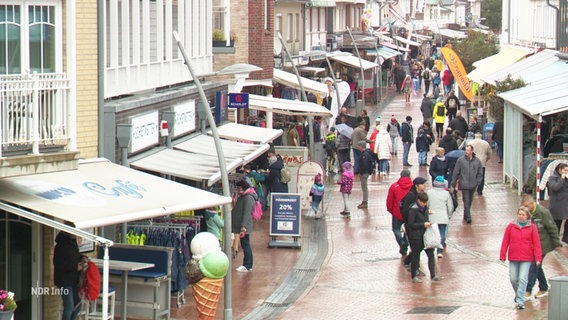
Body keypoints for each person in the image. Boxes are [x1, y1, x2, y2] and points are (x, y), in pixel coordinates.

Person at [500, 206, 542, 310]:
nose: (521, 216)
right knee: (514, 279)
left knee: (523, 279)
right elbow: (505, 241)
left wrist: (537, 258)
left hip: (526, 257)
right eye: (519, 214)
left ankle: (520, 301)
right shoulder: (511, 226)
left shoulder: (532, 227)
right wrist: (502, 255)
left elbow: (537, 244)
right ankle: (519, 295)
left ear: (527, 216)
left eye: (523, 215)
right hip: (513, 257)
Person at [520, 194, 561, 299]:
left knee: (534, 265)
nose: (525, 209)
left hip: (543, 245)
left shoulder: (543, 213)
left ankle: (528, 290)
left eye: (526, 206)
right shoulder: (527, 214)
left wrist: (557, 244)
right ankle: (544, 287)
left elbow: (552, 228)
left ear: (532, 203)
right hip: (532, 245)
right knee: (537, 267)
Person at [407, 192, 440, 283]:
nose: (424, 204)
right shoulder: (413, 210)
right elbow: (411, 224)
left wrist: (428, 223)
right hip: (416, 236)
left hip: (426, 235)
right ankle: (413, 275)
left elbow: (425, 218)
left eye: (425, 202)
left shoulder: (425, 208)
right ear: (418, 200)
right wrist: (423, 224)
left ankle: (433, 275)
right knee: (416, 255)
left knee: (431, 254)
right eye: (423, 202)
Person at [54, 227, 83, 320]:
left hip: (74, 279)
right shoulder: (60, 245)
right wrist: (75, 267)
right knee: (69, 306)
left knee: (78, 303)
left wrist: (82, 258)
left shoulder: (73, 242)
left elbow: (74, 257)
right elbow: (58, 263)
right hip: (64, 280)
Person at [450, 145, 483, 224]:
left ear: (472, 151)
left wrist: (478, 182)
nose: (466, 152)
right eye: (466, 150)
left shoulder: (477, 161)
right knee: (466, 200)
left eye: (468, 150)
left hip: (473, 184)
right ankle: (468, 217)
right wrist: (453, 183)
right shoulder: (460, 160)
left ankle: (466, 214)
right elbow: (456, 172)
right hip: (464, 184)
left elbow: (480, 172)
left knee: (470, 201)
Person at [401, 177, 429, 269]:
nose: (425, 186)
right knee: (416, 247)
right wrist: (411, 218)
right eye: (423, 184)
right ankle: (412, 266)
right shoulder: (412, 195)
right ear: (417, 185)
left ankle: (409, 262)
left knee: (419, 247)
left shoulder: (418, 194)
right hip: (411, 225)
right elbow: (406, 210)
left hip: (417, 224)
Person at [386, 169, 413, 256]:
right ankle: (405, 243)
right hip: (410, 212)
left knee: (396, 229)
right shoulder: (413, 186)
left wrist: (391, 210)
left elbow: (390, 200)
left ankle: (401, 242)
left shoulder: (394, 186)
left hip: (397, 212)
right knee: (408, 230)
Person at [427, 176, 454, 258]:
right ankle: (440, 251)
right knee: (442, 233)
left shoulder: (429, 192)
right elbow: (450, 207)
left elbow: (427, 205)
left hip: (431, 216)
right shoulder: (446, 194)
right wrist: (449, 215)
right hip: (443, 217)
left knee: (432, 233)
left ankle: (431, 248)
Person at [232, 179, 255, 272]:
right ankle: (247, 264)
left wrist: (243, 227)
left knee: (245, 245)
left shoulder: (248, 198)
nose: (238, 191)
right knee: (245, 244)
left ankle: (247, 265)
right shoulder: (244, 197)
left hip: (244, 227)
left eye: (239, 189)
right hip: (243, 226)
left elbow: (246, 213)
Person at [547, 163, 568, 243]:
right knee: (557, 223)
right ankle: (555, 241)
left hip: (566, 204)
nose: (566, 172)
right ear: (560, 170)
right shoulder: (553, 178)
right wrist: (562, 179)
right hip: (557, 205)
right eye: (565, 170)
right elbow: (555, 188)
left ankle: (566, 238)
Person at [356, 140, 375, 209]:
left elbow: (364, 164)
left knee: (364, 187)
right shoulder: (366, 153)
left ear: (361, 146)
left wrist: (361, 172)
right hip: (365, 172)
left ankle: (365, 201)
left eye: (358, 146)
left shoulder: (365, 155)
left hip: (364, 173)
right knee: (364, 187)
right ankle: (364, 201)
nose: (357, 147)